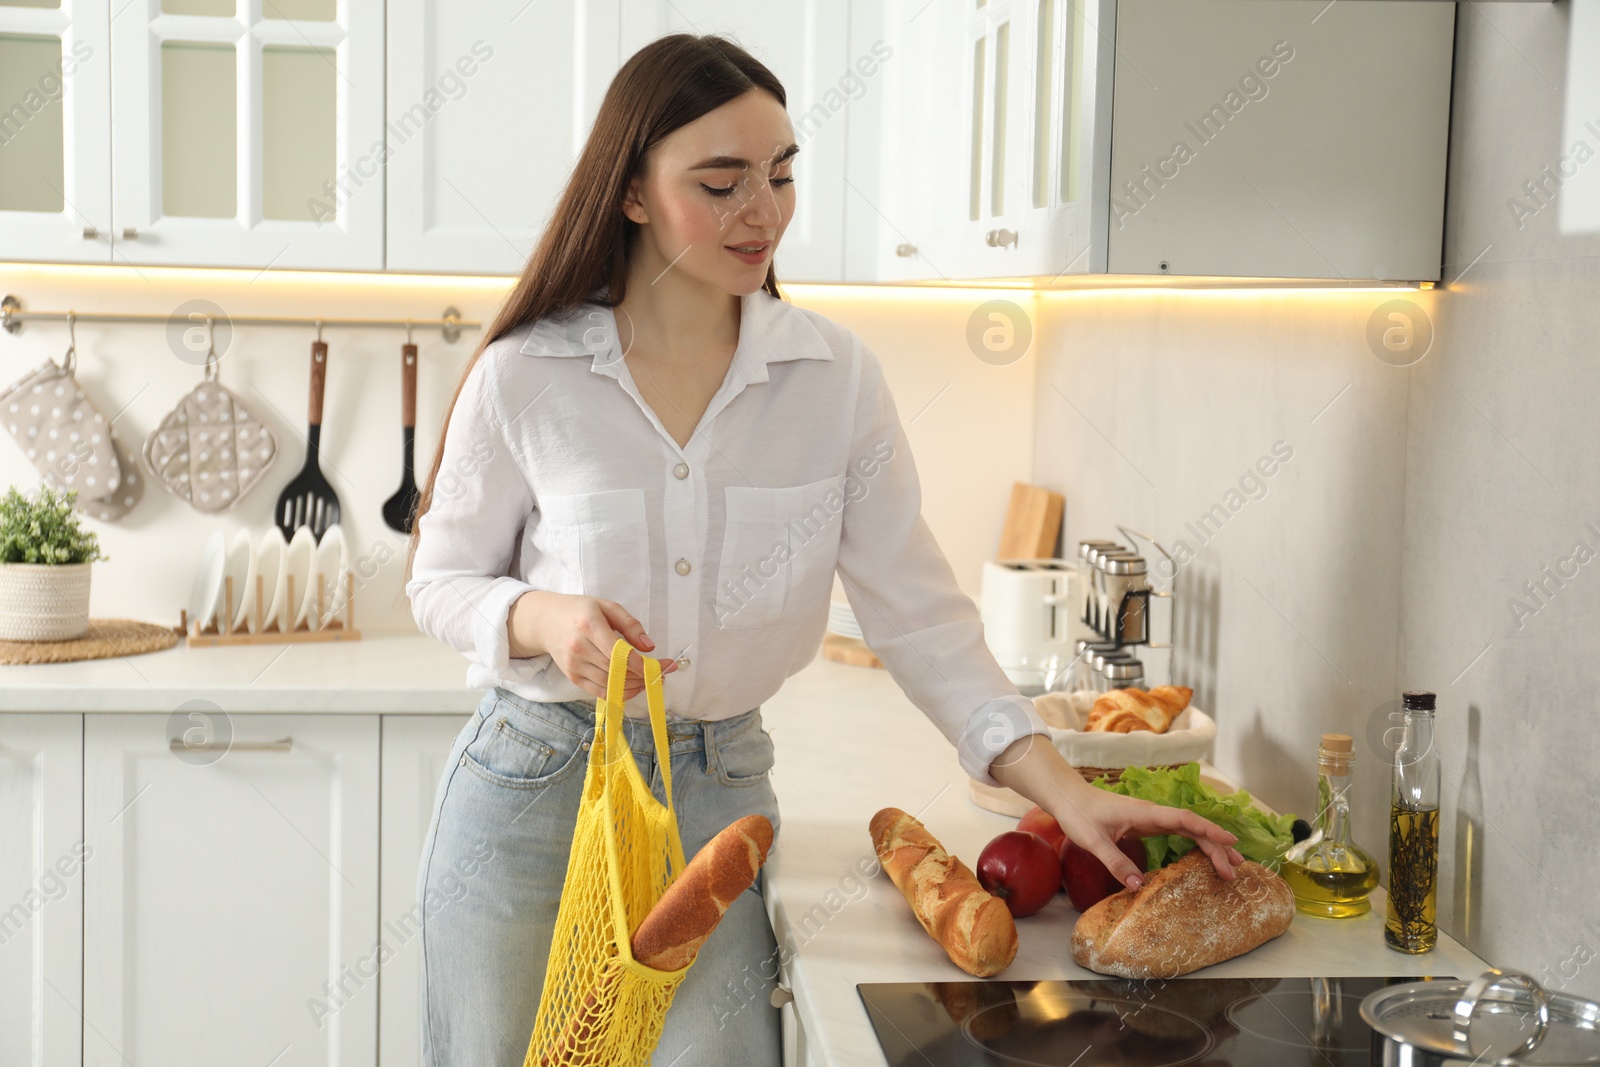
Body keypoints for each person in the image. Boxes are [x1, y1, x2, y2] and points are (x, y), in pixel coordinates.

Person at [403, 32, 1244, 1067]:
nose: (763, 210)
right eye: (722, 182)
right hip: (531, 790)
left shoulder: (832, 380)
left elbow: (921, 616)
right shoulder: (526, 374)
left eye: (782, 174)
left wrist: (1062, 790)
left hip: (717, 796)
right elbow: (440, 582)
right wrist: (544, 616)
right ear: (630, 193)